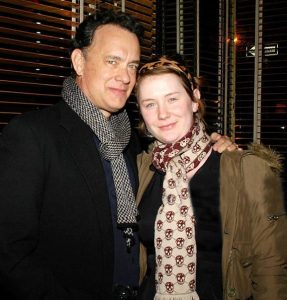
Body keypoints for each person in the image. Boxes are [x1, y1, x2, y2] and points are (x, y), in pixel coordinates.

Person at [0, 9, 236, 300]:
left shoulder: (134, 145)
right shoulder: (32, 136)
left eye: (132, 65)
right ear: (79, 62)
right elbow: (10, 255)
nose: (125, 77)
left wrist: (218, 147)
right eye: (112, 60)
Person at [135, 56, 287, 300]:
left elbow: (273, 268)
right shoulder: (141, 168)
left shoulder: (247, 170)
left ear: (194, 99)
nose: (162, 114)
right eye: (150, 104)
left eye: (172, 99)